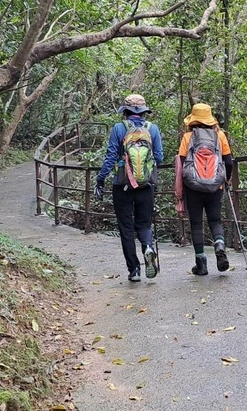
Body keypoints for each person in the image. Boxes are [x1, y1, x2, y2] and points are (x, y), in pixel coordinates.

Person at [95, 94, 164, 282]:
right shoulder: (153, 129)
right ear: (143, 112)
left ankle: (134, 271)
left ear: (125, 111)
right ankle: (148, 247)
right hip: (146, 185)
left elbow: (110, 157)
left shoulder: (119, 128)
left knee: (126, 228)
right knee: (144, 224)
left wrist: (100, 179)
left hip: (122, 184)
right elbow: (159, 157)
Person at [175, 103, 234, 276]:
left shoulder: (188, 137)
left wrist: (180, 190)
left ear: (193, 120)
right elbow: (228, 162)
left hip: (193, 186)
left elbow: (182, 163)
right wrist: (225, 179)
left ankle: (201, 265)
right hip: (215, 186)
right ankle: (219, 244)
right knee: (215, 221)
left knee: (196, 224)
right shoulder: (220, 136)